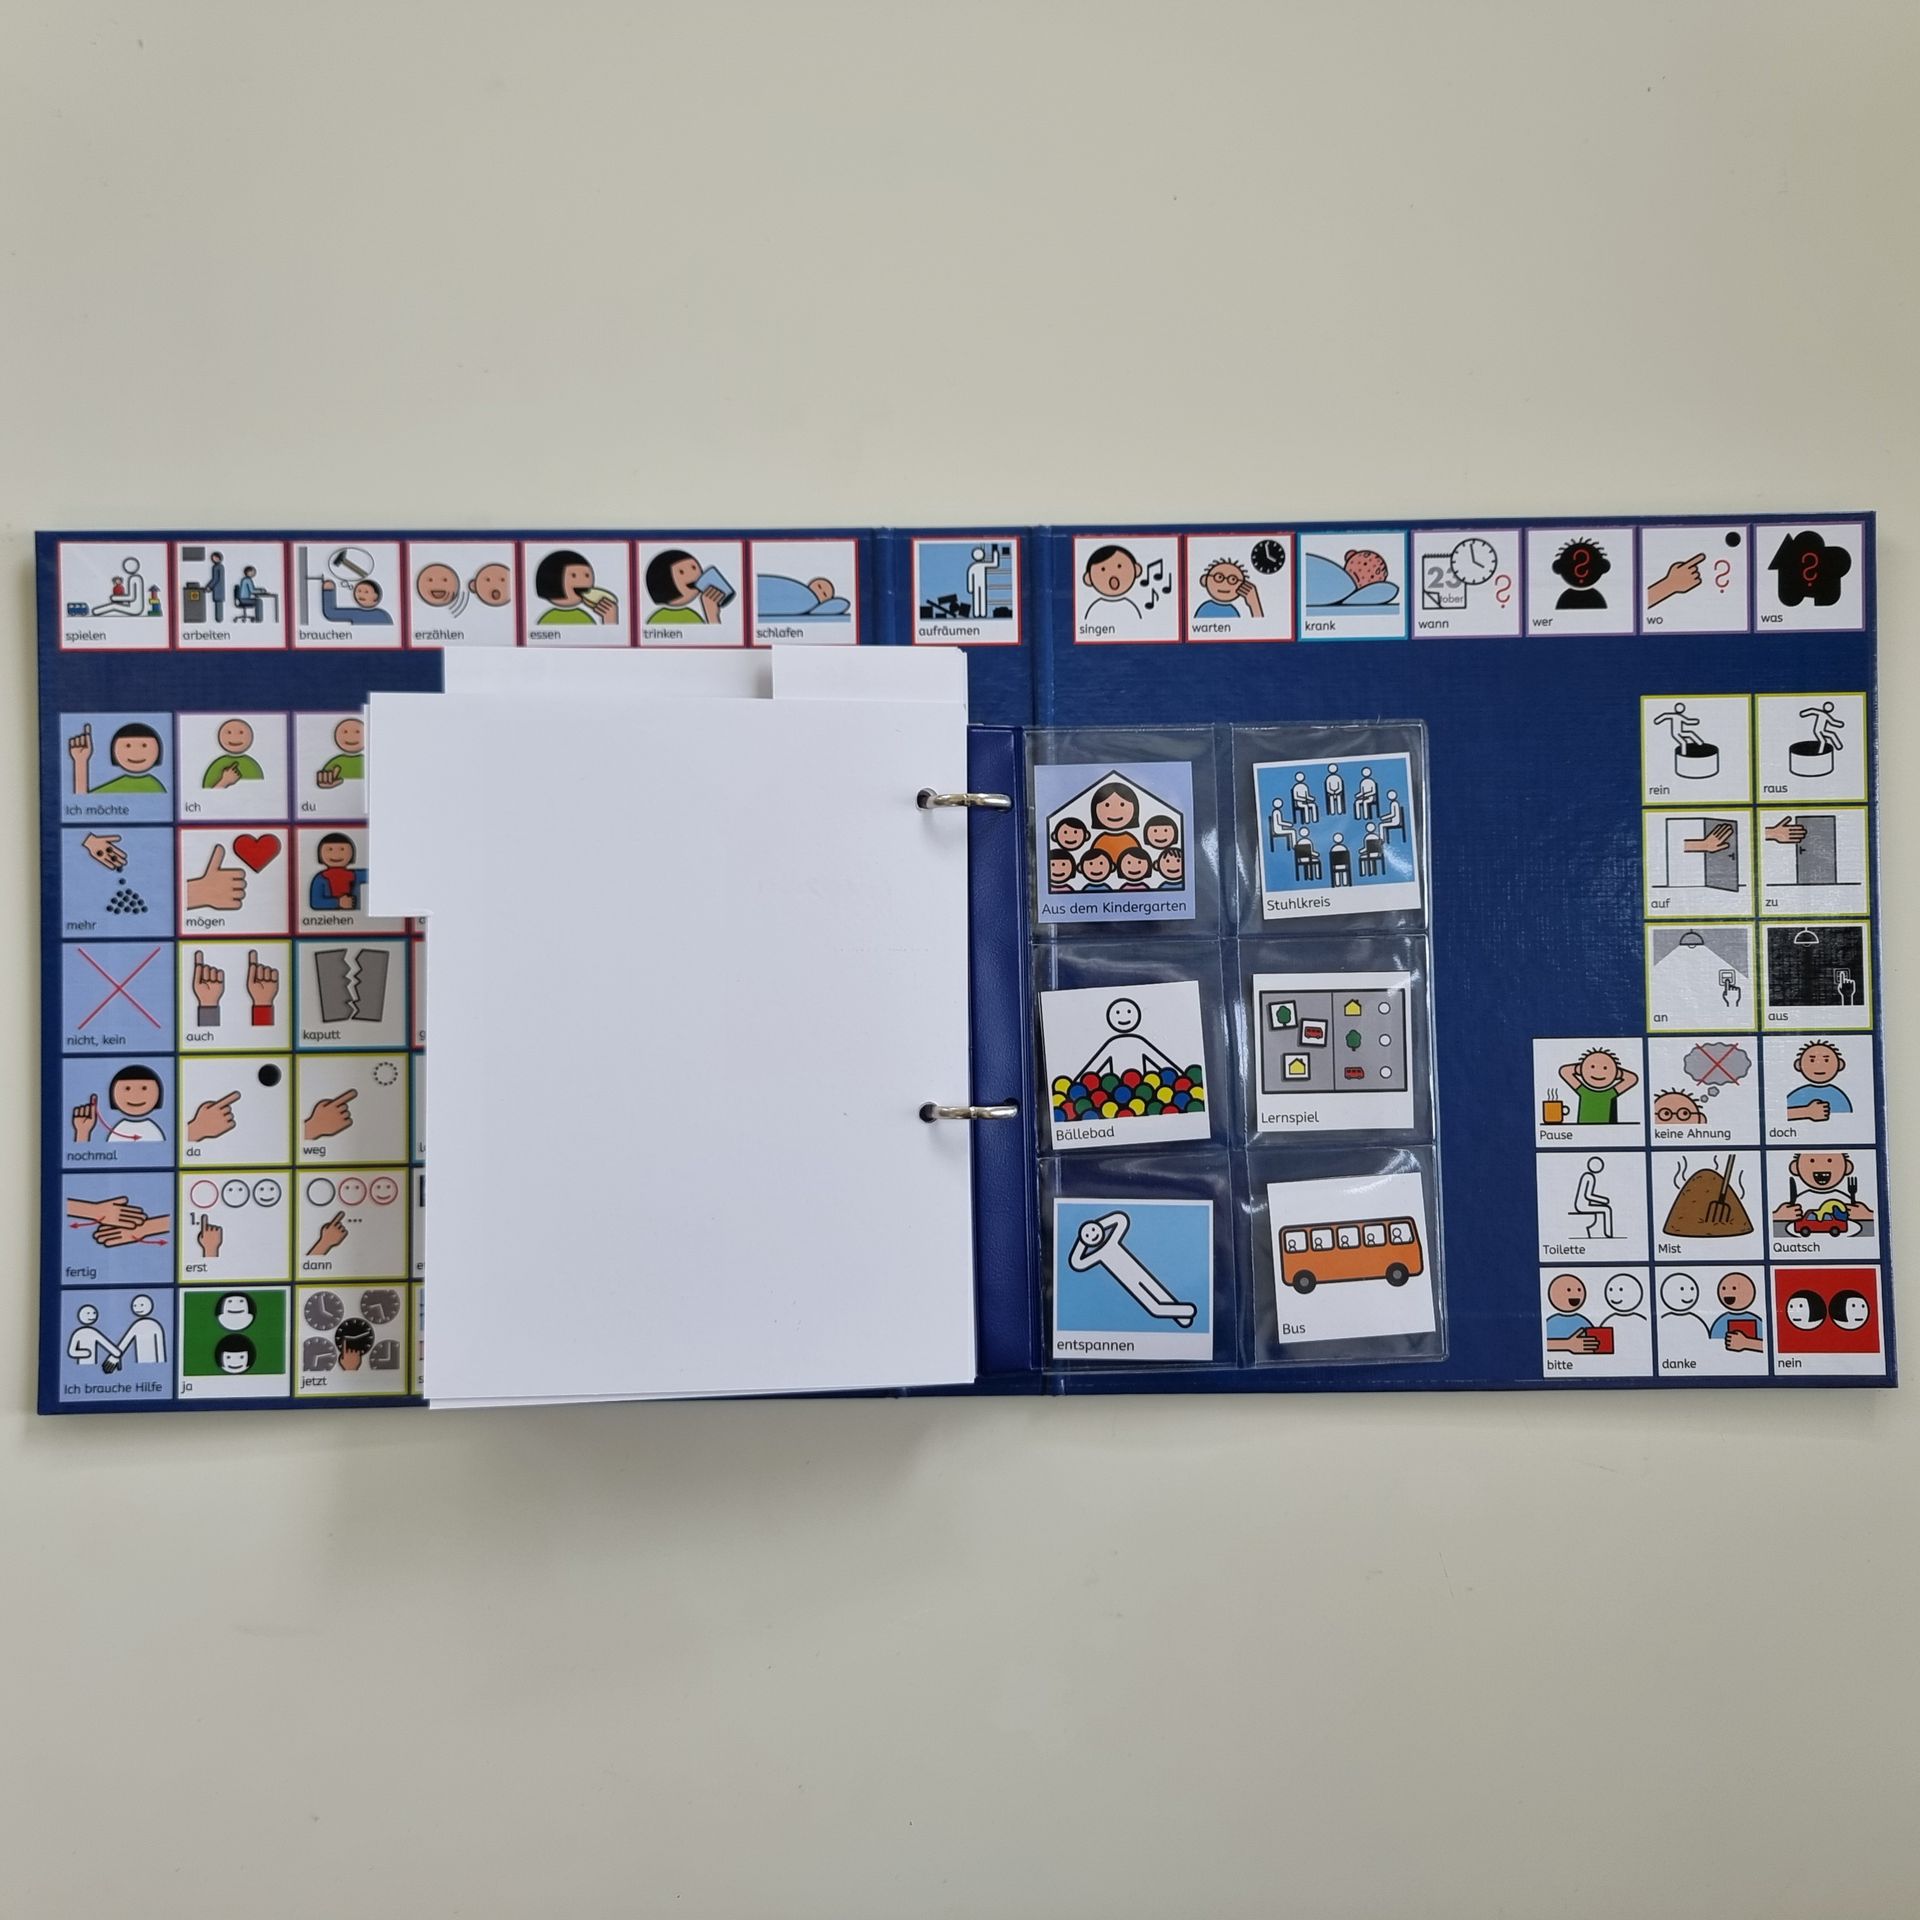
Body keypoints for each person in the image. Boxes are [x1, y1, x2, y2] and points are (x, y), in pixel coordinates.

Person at [73, 1063, 166, 1144]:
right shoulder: (119, 1129)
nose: (135, 1095)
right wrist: (82, 1132)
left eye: (144, 1088)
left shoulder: (153, 1131)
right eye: (127, 1088)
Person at [68, 720, 165, 796]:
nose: (136, 752)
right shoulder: (117, 785)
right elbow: (84, 803)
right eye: (128, 746)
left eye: (144, 746)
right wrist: (80, 761)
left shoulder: (154, 786)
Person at [534, 549, 619, 626]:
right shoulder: (549, 619)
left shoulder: (584, 617)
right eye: (573, 575)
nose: (583, 580)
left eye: (587, 575)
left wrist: (610, 620)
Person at [645, 549, 727, 626]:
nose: (693, 575)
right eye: (681, 572)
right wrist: (711, 615)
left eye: (694, 568)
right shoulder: (659, 618)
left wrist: (711, 612)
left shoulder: (692, 615)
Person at [1558, 1048, 1639, 1124]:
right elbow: (1564, 1071)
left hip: (1607, 1131)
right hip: (1583, 1129)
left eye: (1605, 1068)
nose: (1598, 1072)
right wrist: (1579, 1068)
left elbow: (1632, 1079)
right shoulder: (1583, 1091)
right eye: (1592, 1066)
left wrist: (1618, 1073)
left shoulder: (1610, 1093)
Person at [1784, 1040, 1851, 1121]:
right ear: (1798, 1065)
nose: (1819, 1065)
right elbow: (1779, 1114)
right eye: (1812, 1060)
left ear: (1840, 1064)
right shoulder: (1798, 1094)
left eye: (1826, 1060)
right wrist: (1807, 1112)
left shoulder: (1838, 1096)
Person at [1081, 544, 1145, 622]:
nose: (1112, 574)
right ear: (1089, 578)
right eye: (1103, 569)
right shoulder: (1096, 608)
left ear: (1136, 569)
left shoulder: (1130, 607)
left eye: (1119, 566)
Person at [1706, 1272, 1766, 1352]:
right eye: (1724, 1288)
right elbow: (1713, 1346)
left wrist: (1746, 1343)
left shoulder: (1758, 1322)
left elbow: (1770, 1345)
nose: (1729, 1294)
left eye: (1734, 1288)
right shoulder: (1720, 1323)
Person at [309, 832, 367, 914]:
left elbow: (375, 876)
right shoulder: (320, 878)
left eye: (342, 849)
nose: (336, 854)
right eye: (330, 849)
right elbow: (316, 902)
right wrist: (338, 902)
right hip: (329, 918)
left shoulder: (354, 875)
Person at [1087, 782, 1143, 864]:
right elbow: (1093, 860)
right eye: (1107, 805)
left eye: (1122, 804)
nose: (1114, 812)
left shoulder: (1130, 840)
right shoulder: (1101, 841)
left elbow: (1139, 859)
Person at [1192, 557, 1262, 621]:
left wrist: (1254, 604)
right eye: (1219, 577)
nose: (1225, 583)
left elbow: (1257, 626)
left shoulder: (1233, 611)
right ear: (1204, 580)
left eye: (1233, 579)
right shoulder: (1205, 609)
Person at [1544, 1273, 1600, 1353]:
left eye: (1579, 1290)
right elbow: (1543, 1343)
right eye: (1568, 1290)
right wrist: (1568, 1344)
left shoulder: (1583, 1321)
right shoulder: (1550, 1322)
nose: (1574, 1294)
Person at [201, 717, 263, 789]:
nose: (235, 737)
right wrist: (225, 781)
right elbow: (207, 793)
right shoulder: (216, 765)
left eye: (241, 732)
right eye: (229, 732)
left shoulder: (253, 766)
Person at [320, 576, 393, 625]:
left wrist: (328, 590)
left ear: (375, 596)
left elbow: (331, 613)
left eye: (366, 592)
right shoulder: (356, 613)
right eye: (359, 591)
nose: (361, 594)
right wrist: (328, 591)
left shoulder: (382, 615)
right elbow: (331, 612)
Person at [316, 716, 365, 788]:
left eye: (357, 732)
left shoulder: (368, 760)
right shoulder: (335, 763)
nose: (350, 736)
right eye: (345, 732)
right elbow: (326, 779)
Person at [1572, 1158, 1615, 1238]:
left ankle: (1603, 1231)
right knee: (1607, 1209)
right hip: (1582, 1206)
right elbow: (1587, 1195)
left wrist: (1602, 1201)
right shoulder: (1589, 1177)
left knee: (1605, 1208)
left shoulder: (1587, 1176)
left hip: (1582, 1204)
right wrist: (1603, 1200)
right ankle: (1608, 1233)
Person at [206, 550, 226, 623]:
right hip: (218, 588)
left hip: (218, 588)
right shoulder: (219, 567)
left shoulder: (217, 567)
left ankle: (219, 619)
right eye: (214, 558)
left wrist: (209, 587)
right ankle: (219, 619)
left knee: (218, 604)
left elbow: (215, 579)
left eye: (216, 558)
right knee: (218, 604)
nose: (215, 559)